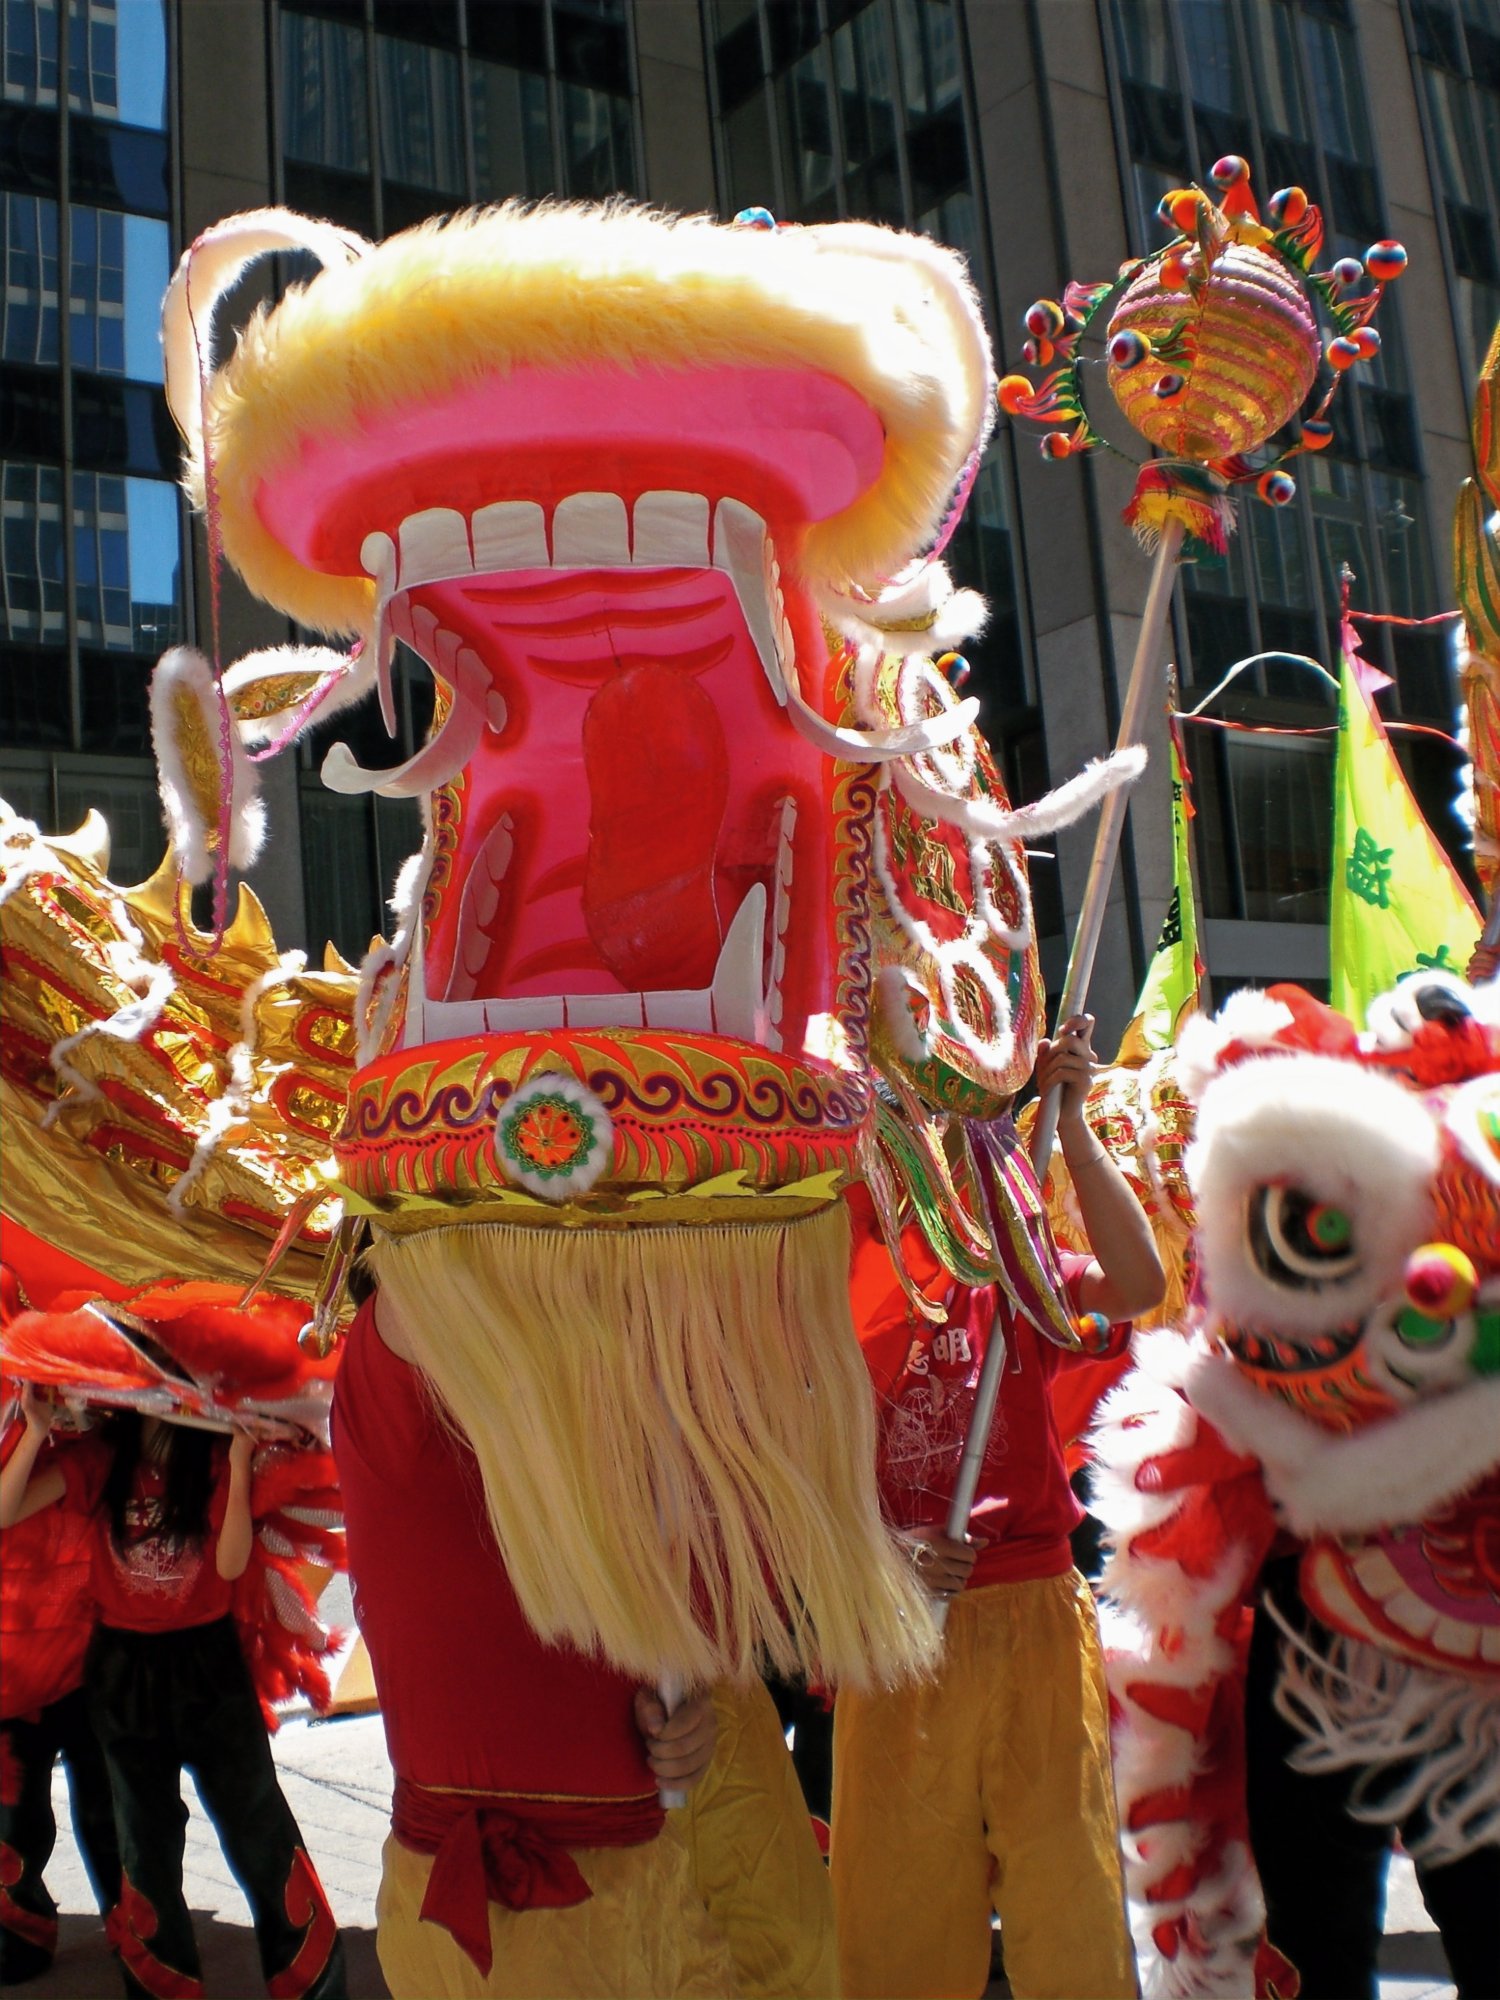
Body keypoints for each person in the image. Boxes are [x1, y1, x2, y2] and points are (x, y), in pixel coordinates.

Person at [833, 1014, 1166, 2000]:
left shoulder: (1005, 1266)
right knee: (895, 1929)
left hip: (1034, 1615)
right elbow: (789, 1468)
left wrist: (1075, 1128)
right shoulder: (822, 1283)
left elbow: (1138, 1282)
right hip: (894, 1631)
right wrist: (880, 1553)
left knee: (1071, 1913)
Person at [334, 1270, 735, 2000]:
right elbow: (438, 1267)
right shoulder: (406, 1327)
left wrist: (688, 1707)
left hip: (639, 1877)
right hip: (514, 1911)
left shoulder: (595, 1360)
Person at [0, 1392, 346, 2000]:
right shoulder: (99, 1459)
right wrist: (33, 1430)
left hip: (209, 1666)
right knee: (145, 1844)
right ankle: (163, 1987)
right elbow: (6, 1510)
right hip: (123, 1671)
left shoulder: (212, 1459)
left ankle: (310, 1986)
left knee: (257, 1824)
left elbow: (231, 1564)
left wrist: (237, 1461)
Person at [0, 1399, 119, 1985]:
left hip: (80, 1666)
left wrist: (39, 1428)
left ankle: (141, 1931)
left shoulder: (94, 1454)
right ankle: (21, 1933)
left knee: (107, 1812)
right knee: (16, 1821)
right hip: (12, 1675)